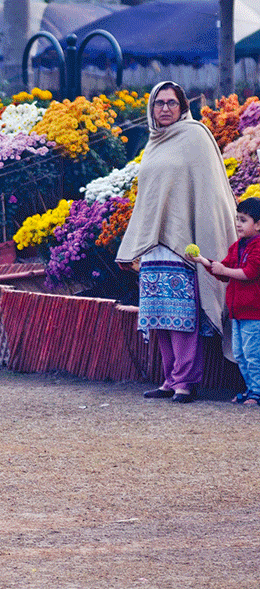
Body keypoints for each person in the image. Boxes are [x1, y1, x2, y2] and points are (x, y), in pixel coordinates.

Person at [116, 81, 237, 403]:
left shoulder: (195, 136)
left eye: (171, 103)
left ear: (183, 106)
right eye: (159, 103)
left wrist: (204, 239)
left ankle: (186, 382)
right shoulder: (154, 142)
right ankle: (169, 380)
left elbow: (210, 193)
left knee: (182, 317)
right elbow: (149, 198)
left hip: (183, 244)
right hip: (154, 245)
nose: (165, 108)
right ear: (151, 108)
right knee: (160, 316)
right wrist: (137, 242)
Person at [189, 197, 260, 404]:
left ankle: (257, 392)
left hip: (254, 313)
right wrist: (203, 260)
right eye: (237, 219)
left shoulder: (257, 247)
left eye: (244, 220)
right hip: (237, 312)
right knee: (240, 353)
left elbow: (250, 273)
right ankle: (252, 390)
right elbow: (223, 271)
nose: (238, 223)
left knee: (253, 355)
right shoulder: (238, 246)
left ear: (258, 224)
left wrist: (224, 269)